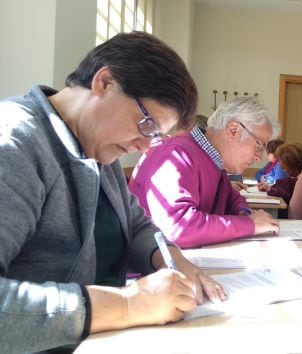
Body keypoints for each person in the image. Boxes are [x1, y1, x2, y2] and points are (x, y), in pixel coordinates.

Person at [0, 31, 226, 353]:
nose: (145, 146)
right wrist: (128, 305)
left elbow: (135, 225)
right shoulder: (15, 143)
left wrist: (173, 261)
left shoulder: (97, 148)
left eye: (156, 136)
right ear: (104, 82)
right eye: (147, 125)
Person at [129, 96, 281, 248]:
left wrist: (245, 212)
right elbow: (179, 227)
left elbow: (231, 199)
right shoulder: (177, 154)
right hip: (153, 267)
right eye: (259, 146)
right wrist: (249, 224)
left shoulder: (212, 161)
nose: (258, 157)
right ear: (233, 130)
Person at [260, 142, 302, 218]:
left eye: (282, 162)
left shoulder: (300, 182)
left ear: (291, 164)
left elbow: (284, 195)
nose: (281, 167)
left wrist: (269, 189)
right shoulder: (294, 179)